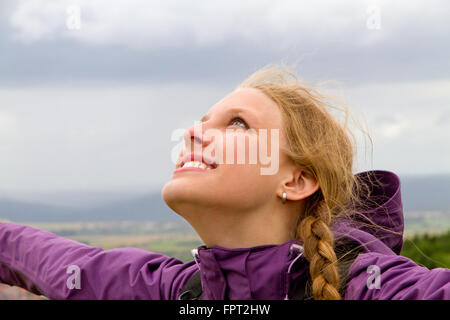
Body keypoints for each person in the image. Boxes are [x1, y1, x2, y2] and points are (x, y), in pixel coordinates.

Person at [0, 64, 449, 300]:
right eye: (200, 122)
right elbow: (46, 260)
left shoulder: (375, 288)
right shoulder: (177, 291)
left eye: (237, 125)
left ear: (296, 180)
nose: (193, 132)